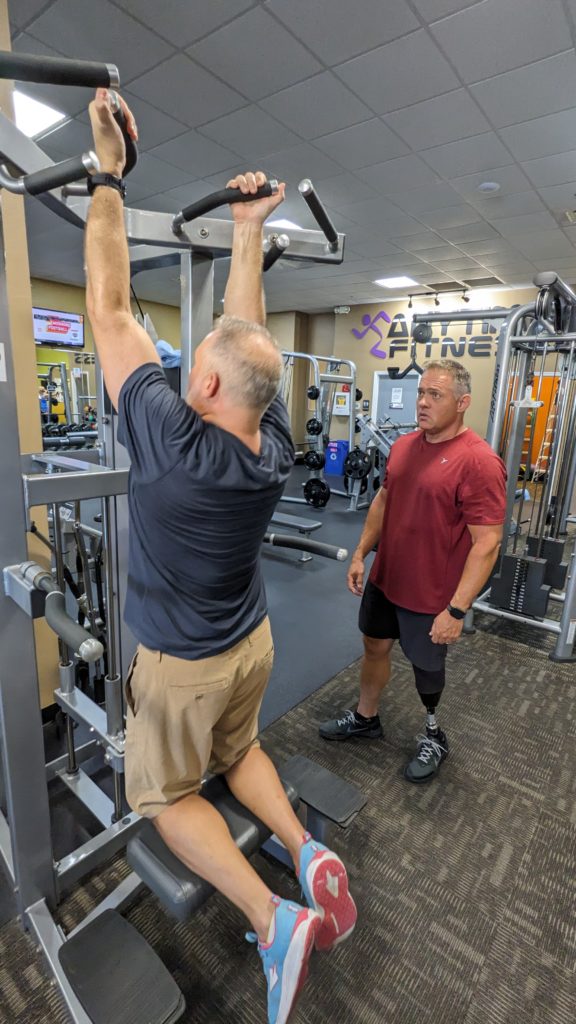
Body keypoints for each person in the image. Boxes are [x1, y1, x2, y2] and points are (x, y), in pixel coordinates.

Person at [85, 89, 356, 1024]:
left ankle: (272, 915)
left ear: (201, 383)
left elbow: (112, 308)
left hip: (185, 668)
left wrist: (108, 177)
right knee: (237, 751)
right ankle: (310, 854)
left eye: (193, 361)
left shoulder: (167, 440)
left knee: (161, 793)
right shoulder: (269, 441)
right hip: (253, 646)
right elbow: (250, 340)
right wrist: (248, 232)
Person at [319, 359, 507, 782]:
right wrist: (361, 553)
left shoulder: (478, 462)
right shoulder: (404, 446)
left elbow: (487, 543)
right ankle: (367, 717)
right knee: (374, 645)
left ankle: (434, 734)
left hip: (431, 592)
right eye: (421, 393)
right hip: (387, 578)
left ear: (462, 403)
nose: (421, 402)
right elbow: (384, 501)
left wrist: (457, 610)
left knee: (426, 667)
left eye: (434, 395)